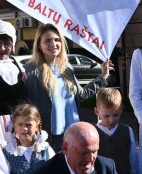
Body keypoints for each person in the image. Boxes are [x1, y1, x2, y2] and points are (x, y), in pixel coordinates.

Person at [24, 23, 110, 153]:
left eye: (57, 39)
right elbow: (26, 106)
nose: (53, 44)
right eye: (47, 40)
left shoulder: (66, 68)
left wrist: (103, 76)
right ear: (39, 45)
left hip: (73, 135)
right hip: (50, 138)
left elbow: (81, 94)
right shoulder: (31, 70)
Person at [2, 103, 55, 174]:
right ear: (14, 125)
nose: (24, 129)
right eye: (20, 124)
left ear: (36, 125)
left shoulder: (46, 149)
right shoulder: (9, 152)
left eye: (28, 125)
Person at [93, 87, 138, 174]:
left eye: (116, 115)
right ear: (97, 111)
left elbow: (133, 157)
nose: (111, 120)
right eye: (106, 116)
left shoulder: (127, 131)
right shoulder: (91, 132)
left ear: (121, 109)